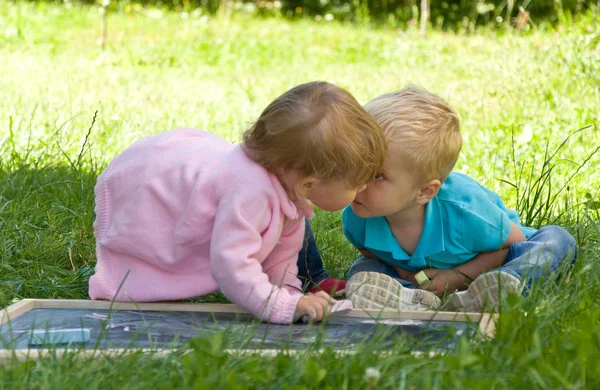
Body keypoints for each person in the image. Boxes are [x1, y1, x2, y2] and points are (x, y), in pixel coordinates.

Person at [88, 81, 386, 324]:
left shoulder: (287, 187)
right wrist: (278, 306)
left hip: (186, 165)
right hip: (148, 183)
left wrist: (292, 300)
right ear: (309, 184)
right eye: (356, 184)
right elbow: (231, 266)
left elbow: (281, 258)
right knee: (153, 251)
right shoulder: (251, 193)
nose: (363, 188)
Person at [341, 86, 577, 312]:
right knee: (363, 269)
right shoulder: (359, 213)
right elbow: (369, 252)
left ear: (424, 191)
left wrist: (457, 277)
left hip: (494, 262)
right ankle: (408, 296)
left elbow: (510, 245)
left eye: (377, 175)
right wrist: (403, 274)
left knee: (557, 240)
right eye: (355, 163)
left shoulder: (464, 210)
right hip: (423, 279)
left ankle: (503, 287)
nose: (357, 180)